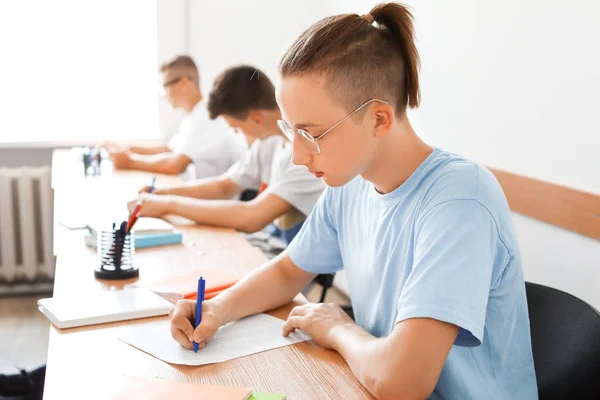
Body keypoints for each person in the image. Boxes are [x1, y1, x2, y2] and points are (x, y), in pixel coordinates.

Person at [168, 3, 538, 400]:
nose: (297, 155)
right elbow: (288, 272)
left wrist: (338, 327)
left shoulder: (461, 200)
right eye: (290, 131)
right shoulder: (350, 185)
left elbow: (401, 381)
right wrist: (217, 309)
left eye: (311, 135)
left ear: (379, 118)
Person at [130, 65, 325, 249]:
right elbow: (224, 185)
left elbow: (251, 218)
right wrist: (162, 195)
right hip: (264, 243)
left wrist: (168, 205)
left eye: (237, 129)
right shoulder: (269, 143)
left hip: (287, 255)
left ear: (255, 118)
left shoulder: (305, 159)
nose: (238, 135)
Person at [105, 55, 247, 180]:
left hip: (217, 202)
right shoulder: (192, 117)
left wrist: (130, 162)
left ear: (184, 82)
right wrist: (126, 148)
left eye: (165, 86)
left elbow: (175, 165)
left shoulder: (206, 117)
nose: (164, 94)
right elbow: (169, 149)